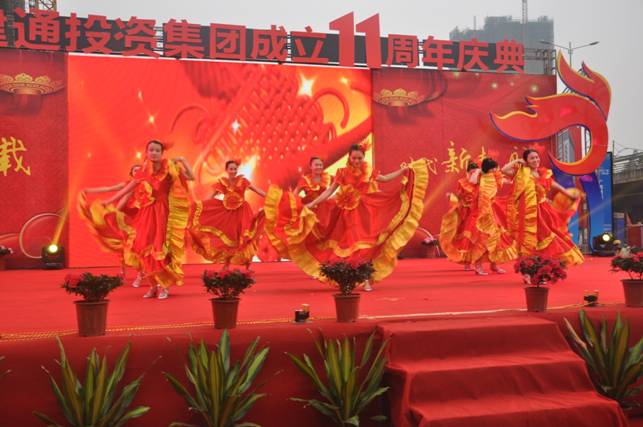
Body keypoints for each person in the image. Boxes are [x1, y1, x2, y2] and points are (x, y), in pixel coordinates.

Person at [264, 143, 429, 291]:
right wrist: (312, 203)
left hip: (364, 213)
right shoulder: (342, 172)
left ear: (363, 158)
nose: (357, 161)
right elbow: (330, 191)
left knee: (365, 246)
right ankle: (346, 278)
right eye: (354, 158)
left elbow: (384, 178)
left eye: (359, 158)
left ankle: (366, 280)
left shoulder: (369, 171)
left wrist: (403, 170)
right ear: (349, 157)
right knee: (348, 246)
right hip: (344, 215)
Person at [107, 140, 195, 299]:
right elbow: (128, 188)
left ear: (162, 153)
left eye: (157, 150)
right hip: (147, 213)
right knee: (143, 246)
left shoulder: (169, 167)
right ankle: (153, 285)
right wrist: (108, 201)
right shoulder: (143, 170)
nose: (154, 153)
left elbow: (191, 176)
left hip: (164, 213)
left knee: (160, 248)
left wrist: (183, 160)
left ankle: (164, 286)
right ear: (146, 152)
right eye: (151, 150)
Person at [501, 149, 584, 266]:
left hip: (543, 211)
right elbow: (504, 170)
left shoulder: (543, 174)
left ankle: (543, 265)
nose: (536, 160)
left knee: (546, 236)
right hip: (528, 212)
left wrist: (569, 194)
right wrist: (518, 161)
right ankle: (530, 267)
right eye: (532, 158)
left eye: (537, 157)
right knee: (531, 238)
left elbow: (555, 185)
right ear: (526, 161)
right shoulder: (521, 173)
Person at [189, 160, 266, 268]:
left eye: (235, 169)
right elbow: (211, 196)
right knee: (229, 240)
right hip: (228, 215)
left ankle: (246, 263)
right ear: (226, 170)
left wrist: (269, 197)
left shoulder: (243, 181)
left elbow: (257, 190)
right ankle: (227, 264)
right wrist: (201, 206)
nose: (233, 171)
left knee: (243, 237)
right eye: (231, 169)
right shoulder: (222, 182)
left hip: (242, 213)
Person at [78, 164, 142, 280]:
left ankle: (140, 271)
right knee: (122, 244)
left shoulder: (146, 184)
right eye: (135, 171)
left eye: (139, 170)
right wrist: (89, 190)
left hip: (138, 217)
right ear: (131, 173)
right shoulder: (128, 185)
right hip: (123, 217)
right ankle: (122, 270)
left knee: (138, 245)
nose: (137, 172)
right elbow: (109, 189)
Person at [469, 158, 517, 274]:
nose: (495, 170)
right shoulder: (480, 177)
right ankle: (478, 266)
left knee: (497, 238)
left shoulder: (495, 176)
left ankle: (494, 265)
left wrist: (514, 180)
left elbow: (506, 180)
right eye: (493, 168)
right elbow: (472, 181)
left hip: (493, 211)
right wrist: (478, 171)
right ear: (487, 168)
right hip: (484, 213)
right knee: (484, 239)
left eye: (495, 168)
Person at [439, 162, 480, 271]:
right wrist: (451, 197)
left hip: (477, 212)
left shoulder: (480, 183)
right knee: (466, 238)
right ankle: (467, 263)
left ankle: (476, 263)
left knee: (476, 239)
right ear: (467, 172)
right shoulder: (462, 182)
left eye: (475, 172)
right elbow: (458, 196)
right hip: (465, 213)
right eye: (471, 172)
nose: (473, 174)